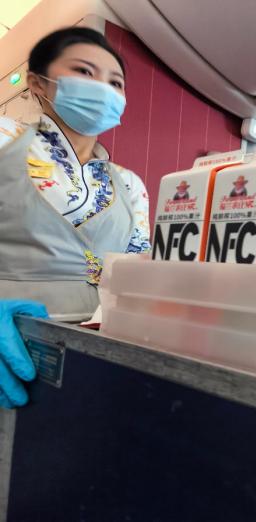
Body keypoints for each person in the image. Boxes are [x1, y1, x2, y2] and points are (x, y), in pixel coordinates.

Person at [0, 27, 151, 409]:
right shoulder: (4, 139)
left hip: (95, 353)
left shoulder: (129, 184)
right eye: (84, 71)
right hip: (10, 342)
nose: (102, 88)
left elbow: (137, 272)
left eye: (115, 82)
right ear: (38, 82)